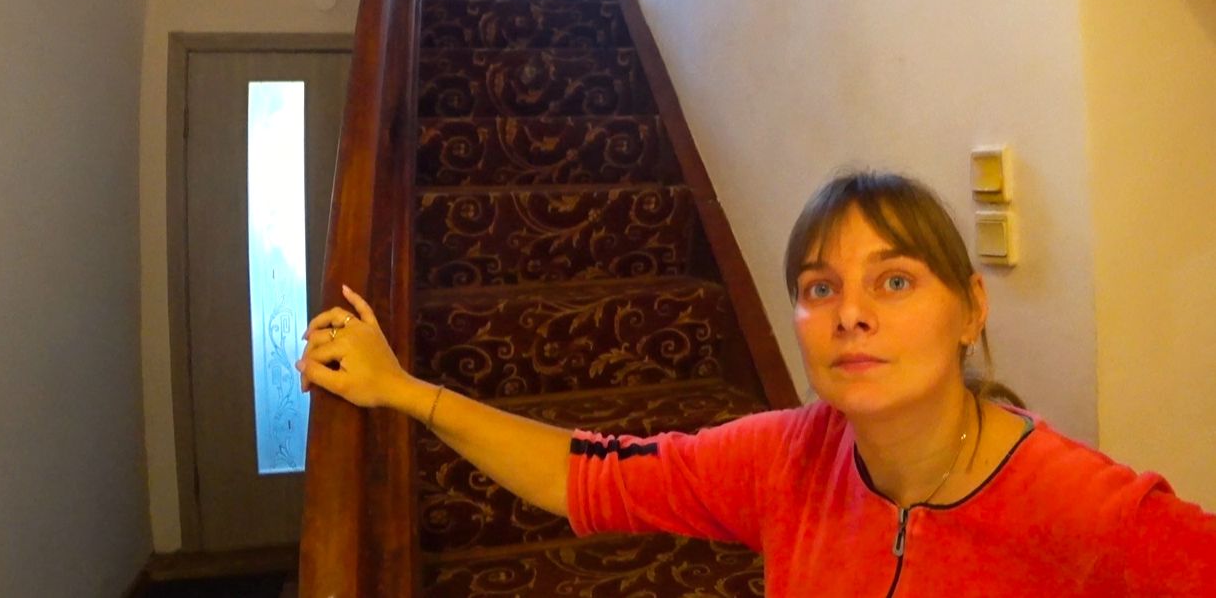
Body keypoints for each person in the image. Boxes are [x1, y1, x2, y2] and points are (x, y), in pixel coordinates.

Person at [297, 170, 1216, 595]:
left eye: (895, 282)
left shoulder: (1083, 508)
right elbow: (589, 473)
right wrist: (405, 391)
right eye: (820, 288)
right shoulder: (789, 459)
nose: (851, 314)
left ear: (970, 309)